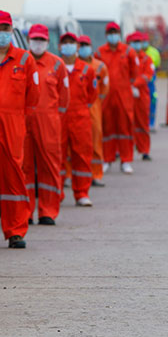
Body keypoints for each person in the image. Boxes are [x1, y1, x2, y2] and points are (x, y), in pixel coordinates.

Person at [0, 10, 39, 249]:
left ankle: (15, 231)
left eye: (5, 29)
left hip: (13, 125)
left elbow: (33, 96)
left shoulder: (24, 59)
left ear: (11, 31)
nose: (2, 33)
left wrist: (21, 121)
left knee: (15, 178)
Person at [22, 23, 68, 225]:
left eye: (41, 40)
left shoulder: (57, 64)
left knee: (49, 166)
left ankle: (48, 211)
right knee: (24, 167)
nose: (38, 43)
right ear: (28, 40)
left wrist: (52, 118)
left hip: (48, 122)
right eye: (34, 39)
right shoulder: (22, 61)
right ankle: (26, 211)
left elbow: (64, 99)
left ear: (47, 42)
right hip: (23, 121)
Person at [94, 22, 138, 174]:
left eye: (115, 32)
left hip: (124, 97)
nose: (113, 35)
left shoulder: (127, 51)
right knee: (107, 129)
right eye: (110, 32)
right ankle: (107, 159)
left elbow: (134, 72)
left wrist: (131, 87)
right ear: (107, 35)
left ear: (119, 34)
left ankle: (126, 160)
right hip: (106, 97)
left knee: (124, 129)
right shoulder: (99, 52)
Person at [58, 33, 97, 206]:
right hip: (59, 118)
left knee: (81, 156)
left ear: (77, 47)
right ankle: (56, 193)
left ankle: (82, 193)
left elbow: (92, 95)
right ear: (60, 47)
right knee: (57, 156)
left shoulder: (88, 70)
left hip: (80, 118)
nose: (68, 46)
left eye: (71, 43)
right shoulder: (55, 67)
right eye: (65, 43)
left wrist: (80, 110)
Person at [78, 35, 109, 187]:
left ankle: (96, 174)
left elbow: (104, 88)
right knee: (75, 146)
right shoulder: (71, 66)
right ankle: (71, 176)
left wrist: (96, 102)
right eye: (80, 45)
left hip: (94, 109)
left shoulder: (100, 66)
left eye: (85, 45)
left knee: (95, 141)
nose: (83, 48)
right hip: (76, 110)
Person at [129, 32, 154, 160]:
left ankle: (144, 150)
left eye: (139, 42)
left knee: (143, 123)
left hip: (142, 95)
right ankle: (127, 150)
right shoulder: (127, 57)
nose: (137, 45)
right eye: (134, 42)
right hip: (128, 94)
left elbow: (147, 75)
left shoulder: (146, 59)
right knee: (127, 123)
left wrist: (134, 84)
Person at [143, 35, 161, 130]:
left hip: (150, 83)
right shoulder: (134, 52)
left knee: (152, 101)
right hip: (139, 83)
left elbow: (157, 66)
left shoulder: (154, 52)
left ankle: (151, 123)